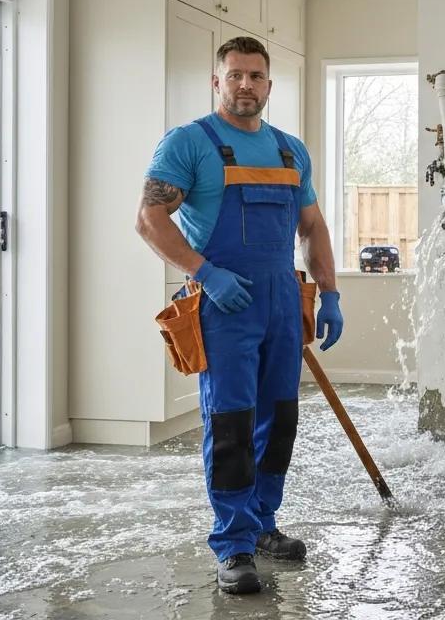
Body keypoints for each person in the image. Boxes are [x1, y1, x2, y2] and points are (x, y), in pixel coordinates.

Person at [135, 36, 343, 594]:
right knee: (230, 424)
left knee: (280, 421)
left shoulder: (289, 150)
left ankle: (263, 525)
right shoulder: (190, 143)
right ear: (217, 82)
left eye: (255, 75)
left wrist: (330, 291)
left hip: (281, 299)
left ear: (269, 85)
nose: (245, 84)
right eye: (235, 75)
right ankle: (232, 546)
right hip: (225, 304)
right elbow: (151, 219)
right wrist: (206, 272)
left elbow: (313, 226)